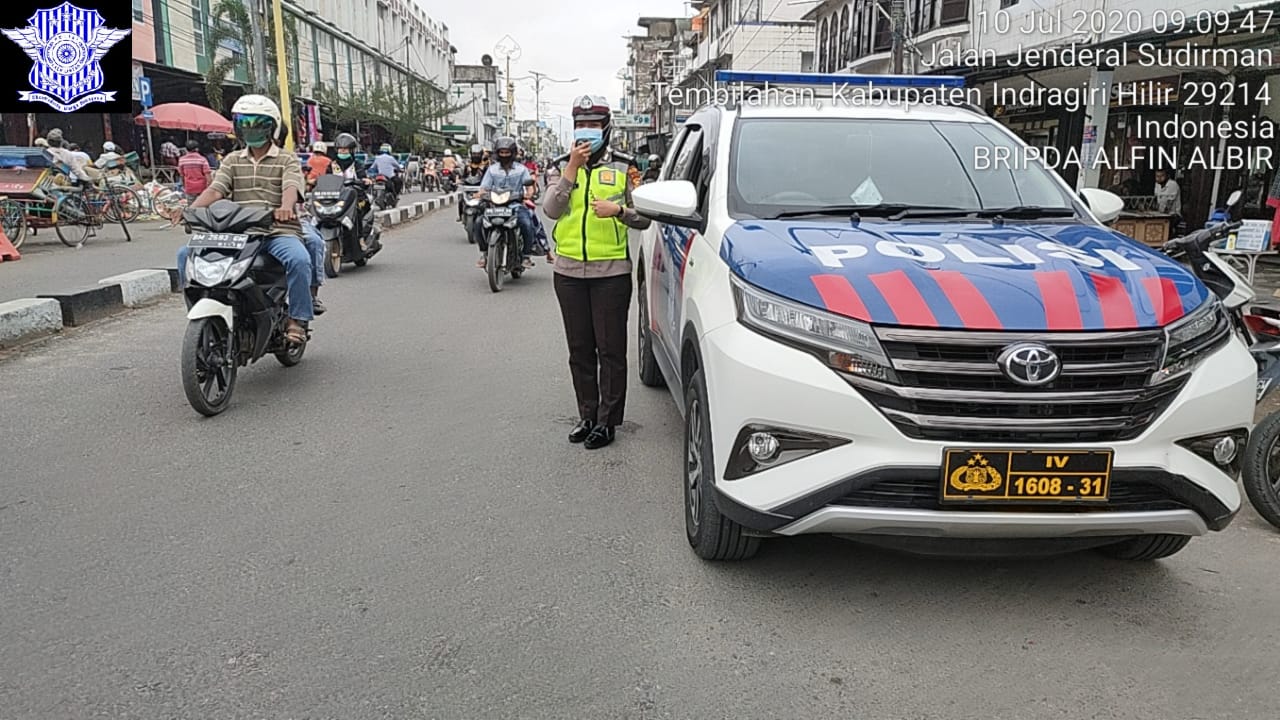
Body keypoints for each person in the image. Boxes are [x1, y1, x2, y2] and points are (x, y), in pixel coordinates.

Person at [542, 95, 651, 450]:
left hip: (611, 274)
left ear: (606, 127)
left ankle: (607, 422)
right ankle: (586, 415)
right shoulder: (560, 165)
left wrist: (618, 209)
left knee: (610, 350)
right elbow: (551, 210)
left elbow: (645, 216)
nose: (586, 130)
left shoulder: (625, 167)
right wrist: (572, 168)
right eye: (581, 123)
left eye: (593, 124)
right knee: (580, 350)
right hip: (569, 272)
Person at [176, 94, 313, 343]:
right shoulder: (232, 160)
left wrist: (285, 207)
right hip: (237, 230)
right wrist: (191, 211)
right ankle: (201, 315)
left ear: (271, 127)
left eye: (257, 124)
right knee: (185, 255)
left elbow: (291, 186)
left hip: (276, 229)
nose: (251, 129)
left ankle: (298, 318)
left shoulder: (286, 158)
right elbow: (216, 190)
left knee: (299, 259)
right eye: (245, 123)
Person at [474, 136, 537, 270]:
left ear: (513, 153)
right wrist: (480, 194)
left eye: (507, 152)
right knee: (478, 222)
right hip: (494, 205)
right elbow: (484, 187)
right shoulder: (492, 170)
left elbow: (530, 186)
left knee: (526, 223)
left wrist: (529, 194)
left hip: (515, 205)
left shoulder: (521, 169)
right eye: (501, 152)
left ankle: (526, 255)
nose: (504, 155)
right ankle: (485, 254)